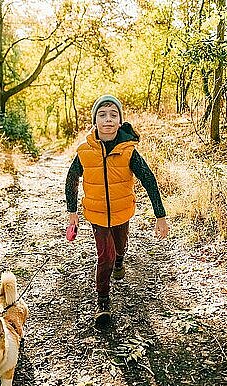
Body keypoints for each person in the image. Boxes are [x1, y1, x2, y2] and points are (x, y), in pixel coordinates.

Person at [65, 94, 169, 327]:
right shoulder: (84, 152)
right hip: (97, 215)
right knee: (105, 256)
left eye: (114, 115)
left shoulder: (128, 151)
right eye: (102, 115)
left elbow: (149, 180)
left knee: (120, 247)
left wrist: (160, 215)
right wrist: (72, 212)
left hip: (123, 212)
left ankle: (121, 259)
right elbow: (71, 179)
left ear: (120, 121)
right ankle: (103, 302)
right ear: (95, 121)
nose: (108, 119)